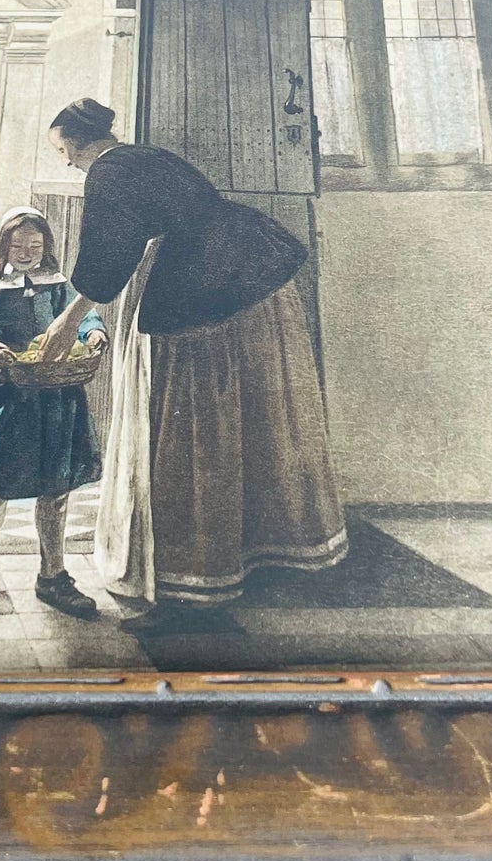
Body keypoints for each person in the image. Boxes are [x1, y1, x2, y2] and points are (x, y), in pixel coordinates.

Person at [37, 98, 347, 628]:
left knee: (193, 427)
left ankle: (190, 580)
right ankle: (252, 559)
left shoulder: (110, 171)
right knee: (250, 418)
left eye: (63, 150)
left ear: (80, 142)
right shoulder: (146, 156)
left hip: (202, 294)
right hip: (253, 281)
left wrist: (67, 322)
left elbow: (109, 258)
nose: (65, 162)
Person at [0, 207, 108, 617]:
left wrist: (94, 331)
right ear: (4, 246)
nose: (26, 252)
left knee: (56, 490)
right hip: (8, 399)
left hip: (55, 398)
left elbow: (83, 314)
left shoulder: (57, 285)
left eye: (35, 245)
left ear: (46, 247)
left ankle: (53, 575)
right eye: (17, 245)